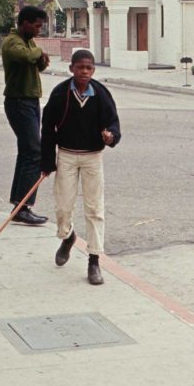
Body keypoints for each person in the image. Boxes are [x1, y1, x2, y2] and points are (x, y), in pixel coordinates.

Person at [40, 50, 121, 285]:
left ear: (93, 70)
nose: (85, 72)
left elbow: (113, 123)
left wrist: (111, 136)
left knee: (95, 209)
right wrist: (47, 161)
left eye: (89, 68)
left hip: (92, 157)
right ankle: (68, 237)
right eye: (80, 68)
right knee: (63, 207)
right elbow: (47, 128)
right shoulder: (60, 93)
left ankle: (94, 261)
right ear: (71, 69)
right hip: (66, 155)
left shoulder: (101, 94)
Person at [3, 6, 51, 226]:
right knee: (34, 152)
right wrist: (40, 53)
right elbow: (24, 56)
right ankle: (24, 207)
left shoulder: (29, 42)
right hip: (19, 102)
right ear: (25, 23)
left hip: (30, 101)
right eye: (37, 25)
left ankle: (18, 203)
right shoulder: (13, 42)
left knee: (26, 153)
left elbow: (35, 62)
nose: (39, 30)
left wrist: (40, 58)